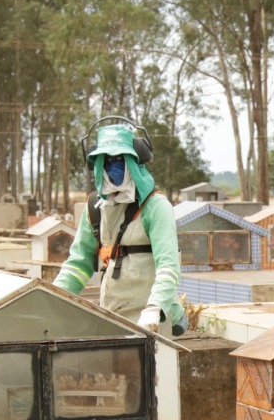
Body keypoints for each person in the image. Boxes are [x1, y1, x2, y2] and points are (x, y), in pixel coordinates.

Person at [53, 118, 184, 335]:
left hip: (151, 316)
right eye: (107, 161)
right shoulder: (96, 207)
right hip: (112, 313)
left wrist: (154, 310)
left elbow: (168, 266)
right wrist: (54, 297)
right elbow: (78, 263)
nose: (113, 167)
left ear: (135, 160)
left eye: (120, 160)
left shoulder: (156, 207)